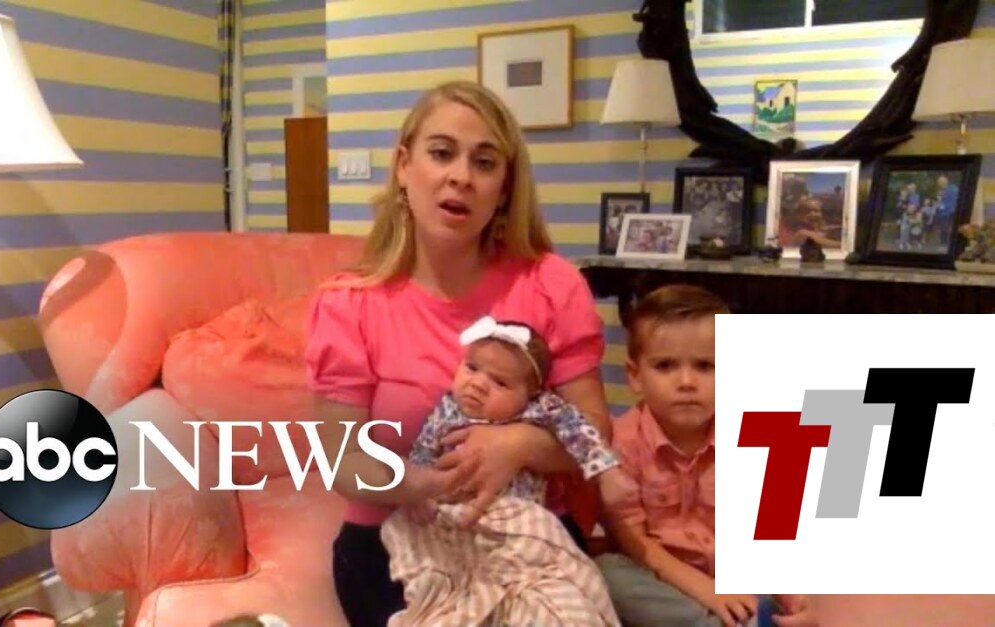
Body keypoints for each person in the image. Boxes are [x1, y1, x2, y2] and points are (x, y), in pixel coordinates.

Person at [303, 80, 612, 627]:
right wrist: (426, 485)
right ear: (404, 166)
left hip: (528, 536)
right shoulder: (348, 304)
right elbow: (341, 461)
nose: (461, 177)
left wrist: (518, 445)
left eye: (484, 162)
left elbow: (595, 433)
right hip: (388, 544)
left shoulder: (552, 284)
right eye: (442, 153)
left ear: (504, 187)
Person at [379, 315, 627, 625]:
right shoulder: (445, 409)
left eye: (500, 382)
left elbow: (581, 434)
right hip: (451, 516)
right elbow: (422, 456)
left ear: (530, 393)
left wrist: (607, 472)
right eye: (472, 368)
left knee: (555, 598)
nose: (478, 384)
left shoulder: (539, 409)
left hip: (514, 517)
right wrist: (417, 491)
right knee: (437, 582)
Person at [595, 284, 818, 627]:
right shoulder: (621, 444)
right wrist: (707, 592)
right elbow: (635, 542)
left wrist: (793, 595)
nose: (686, 381)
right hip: (665, 579)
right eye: (665, 366)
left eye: (705, 366)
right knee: (605, 573)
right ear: (635, 376)